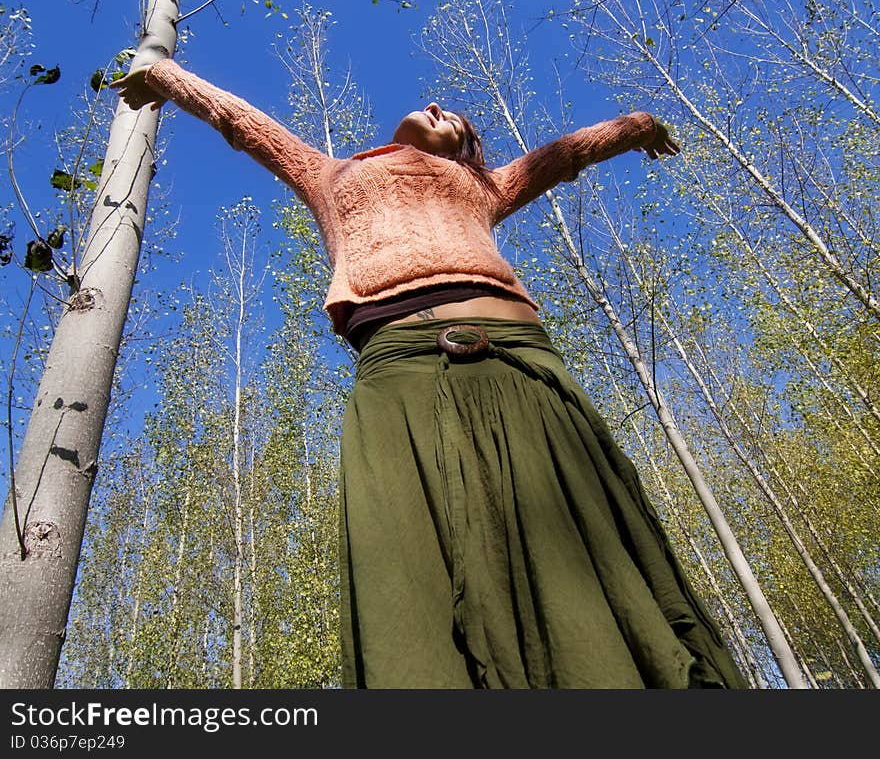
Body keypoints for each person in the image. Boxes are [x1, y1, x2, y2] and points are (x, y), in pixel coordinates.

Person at [111, 59, 746, 689]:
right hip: (397, 365)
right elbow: (242, 121)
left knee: (582, 533)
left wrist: (636, 126)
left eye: (457, 121)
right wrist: (162, 76)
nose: (438, 107)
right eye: (437, 107)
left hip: (518, 354)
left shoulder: (482, 185)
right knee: (408, 556)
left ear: (466, 150)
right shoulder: (328, 174)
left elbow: (563, 155)